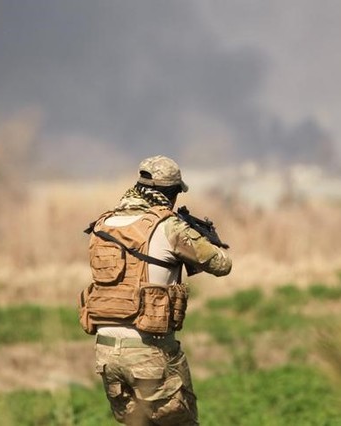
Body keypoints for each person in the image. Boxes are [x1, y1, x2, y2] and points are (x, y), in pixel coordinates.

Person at [79, 155, 232, 426]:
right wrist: (198, 236)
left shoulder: (102, 224)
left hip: (106, 354)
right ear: (171, 193)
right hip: (150, 352)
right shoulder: (169, 226)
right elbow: (222, 264)